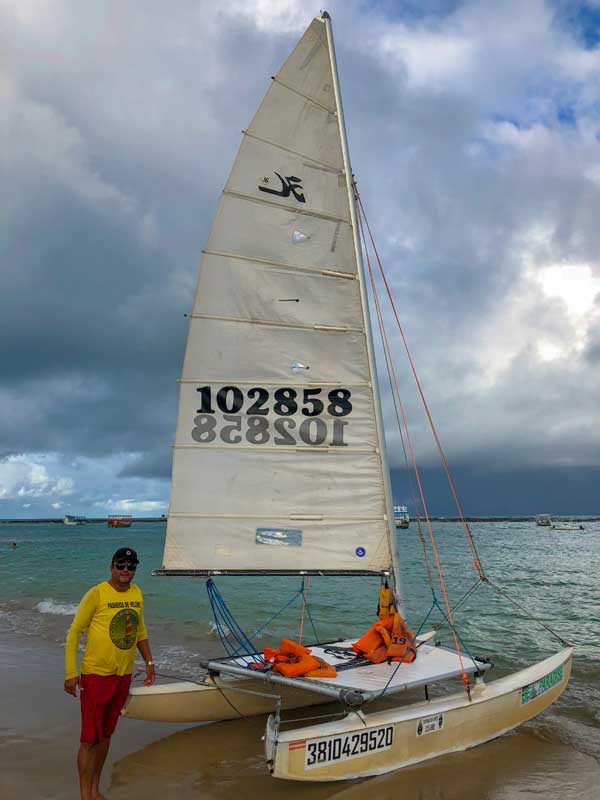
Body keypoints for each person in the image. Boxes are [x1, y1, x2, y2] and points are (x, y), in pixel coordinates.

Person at [64, 547, 155, 800]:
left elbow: (140, 631)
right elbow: (74, 633)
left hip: (122, 675)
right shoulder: (96, 593)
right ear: (111, 566)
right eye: (121, 565)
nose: (126, 570)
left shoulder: (137, 593)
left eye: (131, 565)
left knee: (105, 736)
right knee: (90, 739)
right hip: (96, 676)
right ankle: (85, 795)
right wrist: (71, 673)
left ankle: (95, 790)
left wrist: (149, 662)